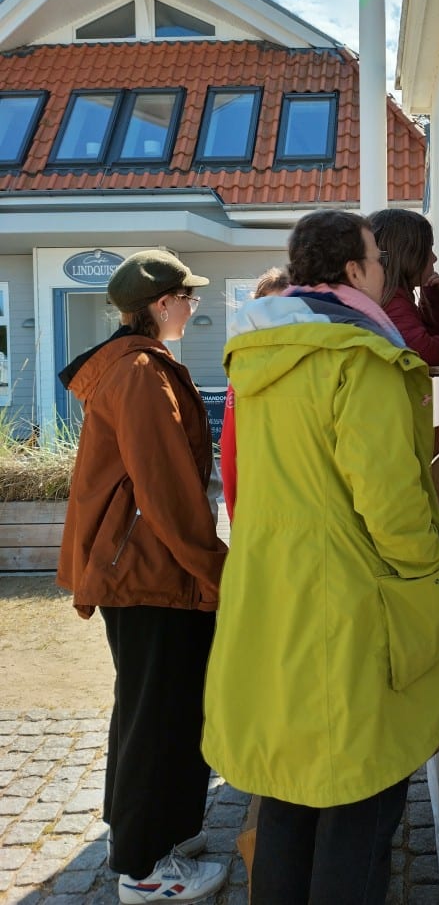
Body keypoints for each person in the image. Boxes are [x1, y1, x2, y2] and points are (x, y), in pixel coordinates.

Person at [202, 210, 439, 904]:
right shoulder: (358, 358)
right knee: (359, 804)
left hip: (272, 601)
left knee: (288, 795)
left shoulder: (256, 360)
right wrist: (432, 579)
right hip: (349, 612)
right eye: (377, 258)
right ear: (352, 271)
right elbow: (392, 505)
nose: (384, 271)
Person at [56, 249, 229, 905]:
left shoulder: (137, 366)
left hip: (144, 567)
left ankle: (150, 831)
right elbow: (166, 491)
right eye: (187, 296)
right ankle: (143, 868)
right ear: (162, 303)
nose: (194, 306)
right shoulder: (140, 375)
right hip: (149, 570)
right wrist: (215, 568)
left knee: (150, 705)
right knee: (161, 712)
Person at [219, 265, 289, 518]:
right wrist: (235, 513)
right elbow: (230, 449)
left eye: (283, 308)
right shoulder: (242, 369)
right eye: (267, 308)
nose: (274, 319)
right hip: (258, 505)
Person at [368, 208, 439, 366]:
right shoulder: (392, 300)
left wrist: (432, 303)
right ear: (408, 255)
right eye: (428, 249)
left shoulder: (387, 296)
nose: (435, 258)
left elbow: (418, 340)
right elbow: (423, 352)